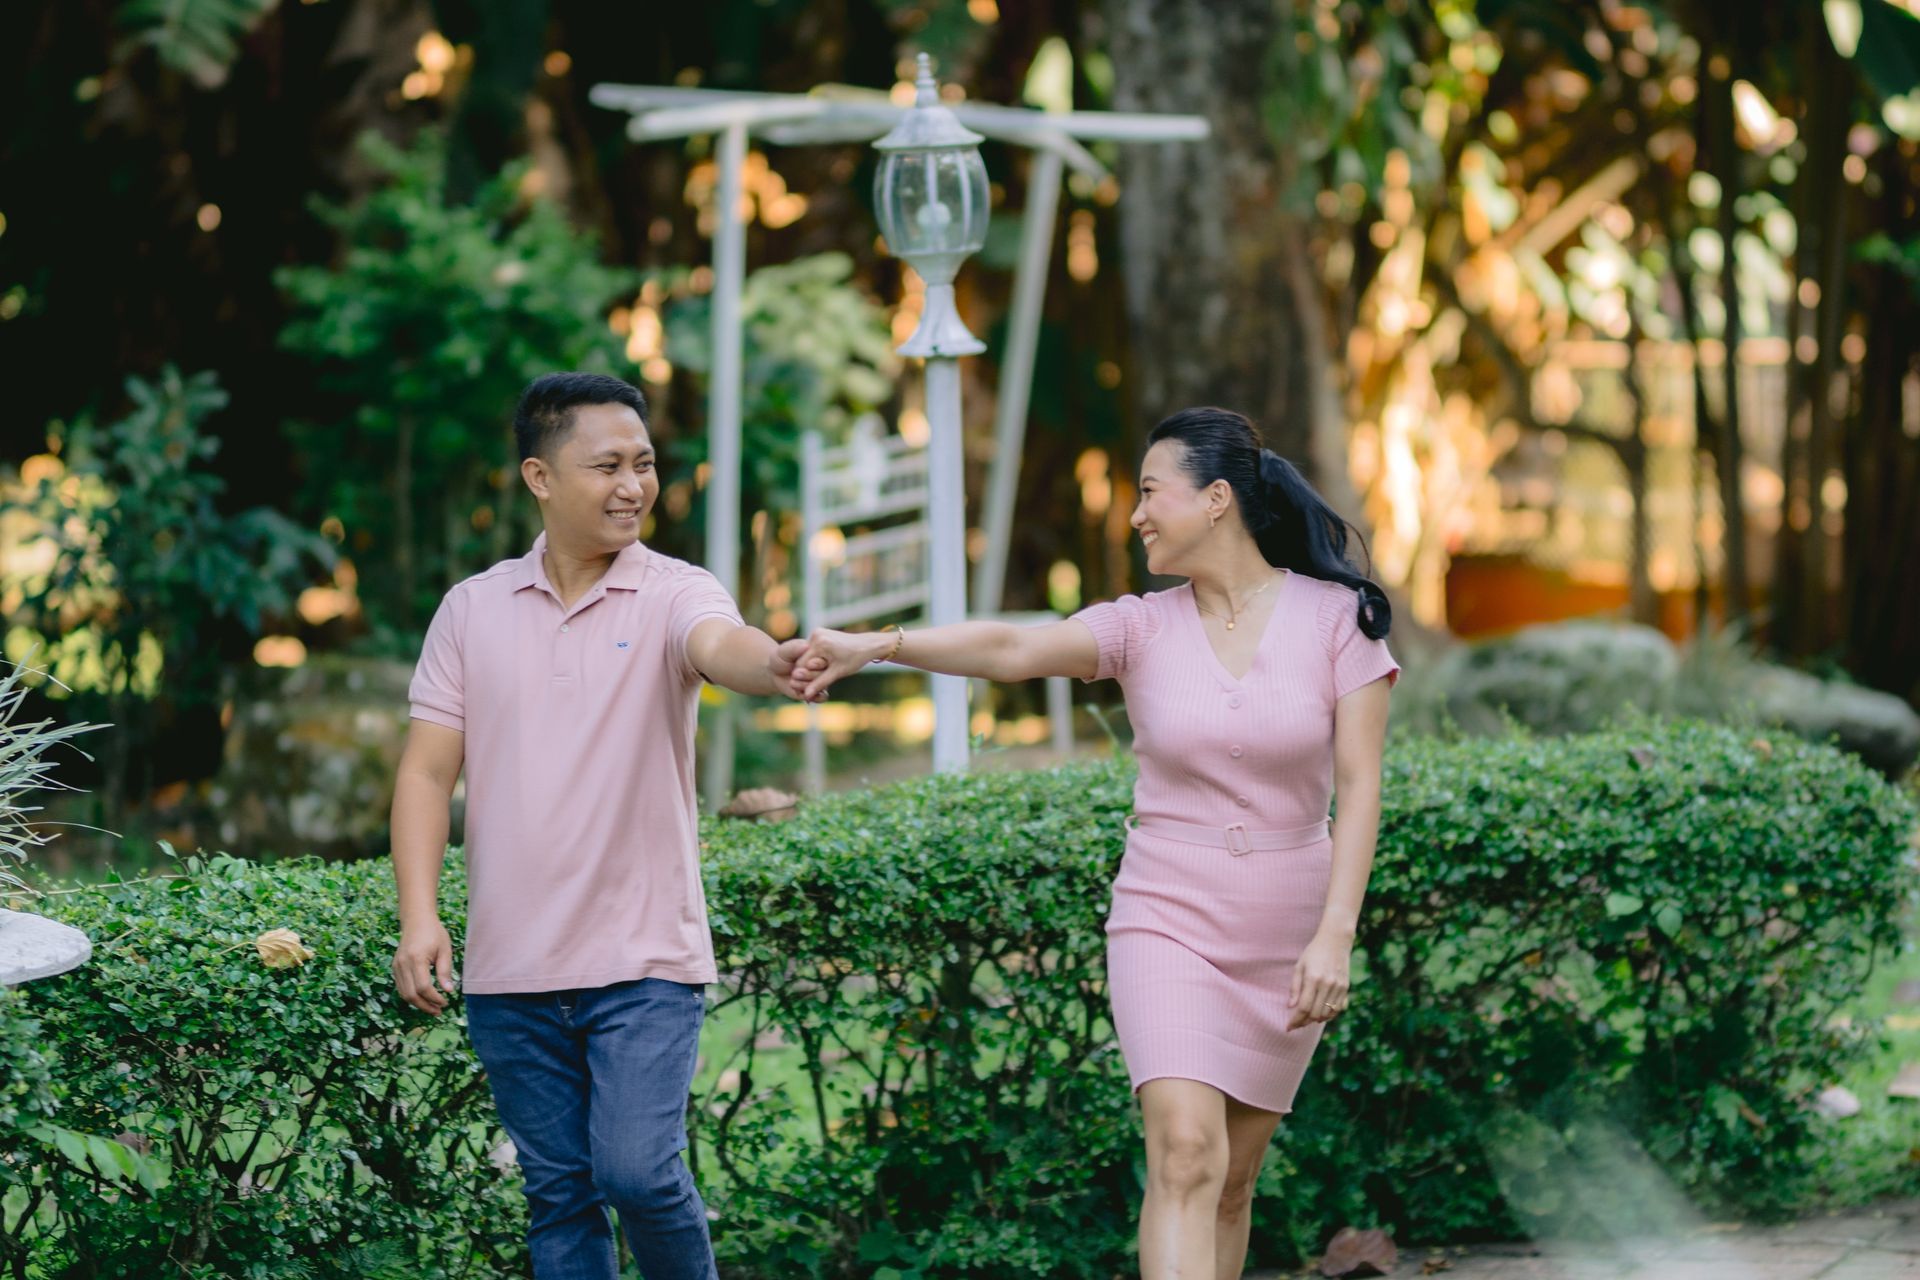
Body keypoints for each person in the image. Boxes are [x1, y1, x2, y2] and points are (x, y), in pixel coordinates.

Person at [792, 406, 1398, 1280]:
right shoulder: (1139, 627)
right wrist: (881, 645)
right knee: (1185, 1154)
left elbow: (1362, 786)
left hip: (1288, 930)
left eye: (1151, 492)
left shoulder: (1338, 620)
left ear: (1217, 499)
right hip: (1168, 914)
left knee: (1232, 1183)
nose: (1137, 515)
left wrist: (1335, 935)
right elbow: (1012, 646)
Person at [388, 371, 806, 1279]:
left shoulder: (674, 591)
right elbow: (425, 773)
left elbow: (721, 645)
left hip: (643, 959)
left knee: (638, 1173)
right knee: (559, 1194)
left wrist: (777, 663)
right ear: (540, 478)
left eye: (644, 464)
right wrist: (420, 917)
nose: (633, 486)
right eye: (607, 466)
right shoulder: (472, 608)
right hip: (511, 969)